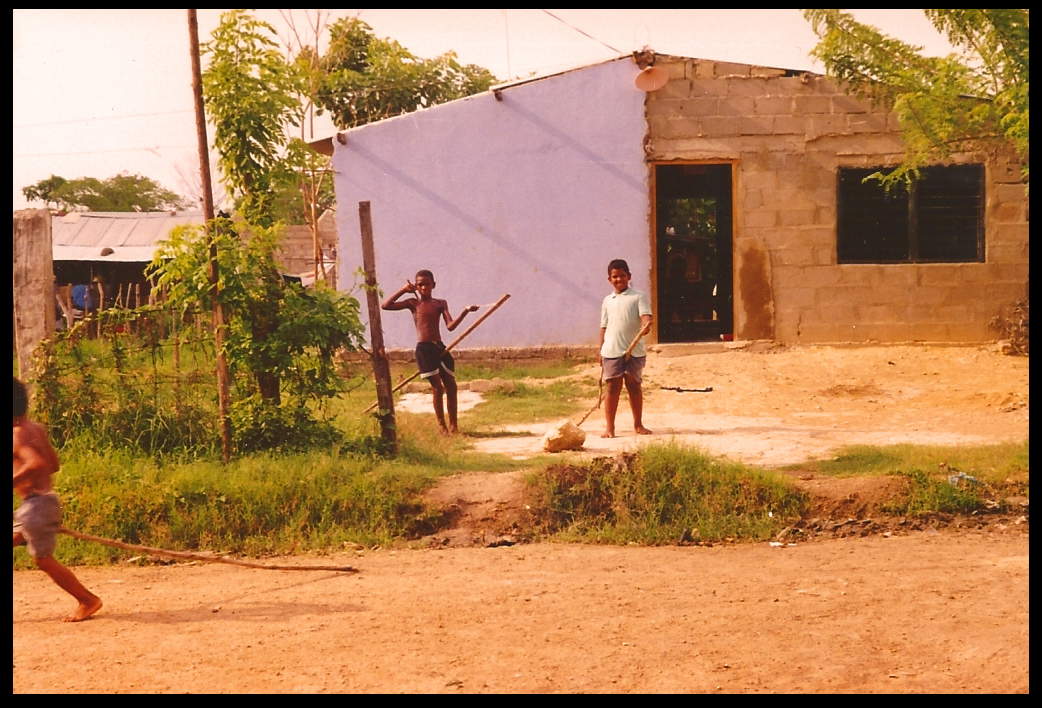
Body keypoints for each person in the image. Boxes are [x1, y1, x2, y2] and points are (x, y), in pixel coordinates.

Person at [13, 377, 102, 622]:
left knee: (43, 560)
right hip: (45, 502)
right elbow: (53, 464)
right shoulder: (35, 428)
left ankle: (88, 600)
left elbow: (37, 463)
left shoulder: (17, 435)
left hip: (36, 508)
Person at [382, 270, 479, 434]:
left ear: (433, 285)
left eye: (427, 284)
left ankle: (454, 427)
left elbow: (450, 326)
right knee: (437, 388)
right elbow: (386, 306)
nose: (424, 287)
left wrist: (465, 311)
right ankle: (442, 427)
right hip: (424, 349)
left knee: (452, 387)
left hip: (439, 347)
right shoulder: (413, 303)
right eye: (420, 285)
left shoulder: (440, 303)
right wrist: (403, 290)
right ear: (416, 286)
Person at [600, 259, 654, 438]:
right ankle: (610, 428)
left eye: (622, 276)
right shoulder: (608, 301)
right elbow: (604, 327)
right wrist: (601, 350)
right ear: (609, 279)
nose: (619, 279)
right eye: (615, 276)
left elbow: (645, 317)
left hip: (634, 351)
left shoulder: (638, 296)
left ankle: (638, 425)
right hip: (612, 351)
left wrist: (646, 325)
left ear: (629, 276)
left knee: (634, 386)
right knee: (612, 387)